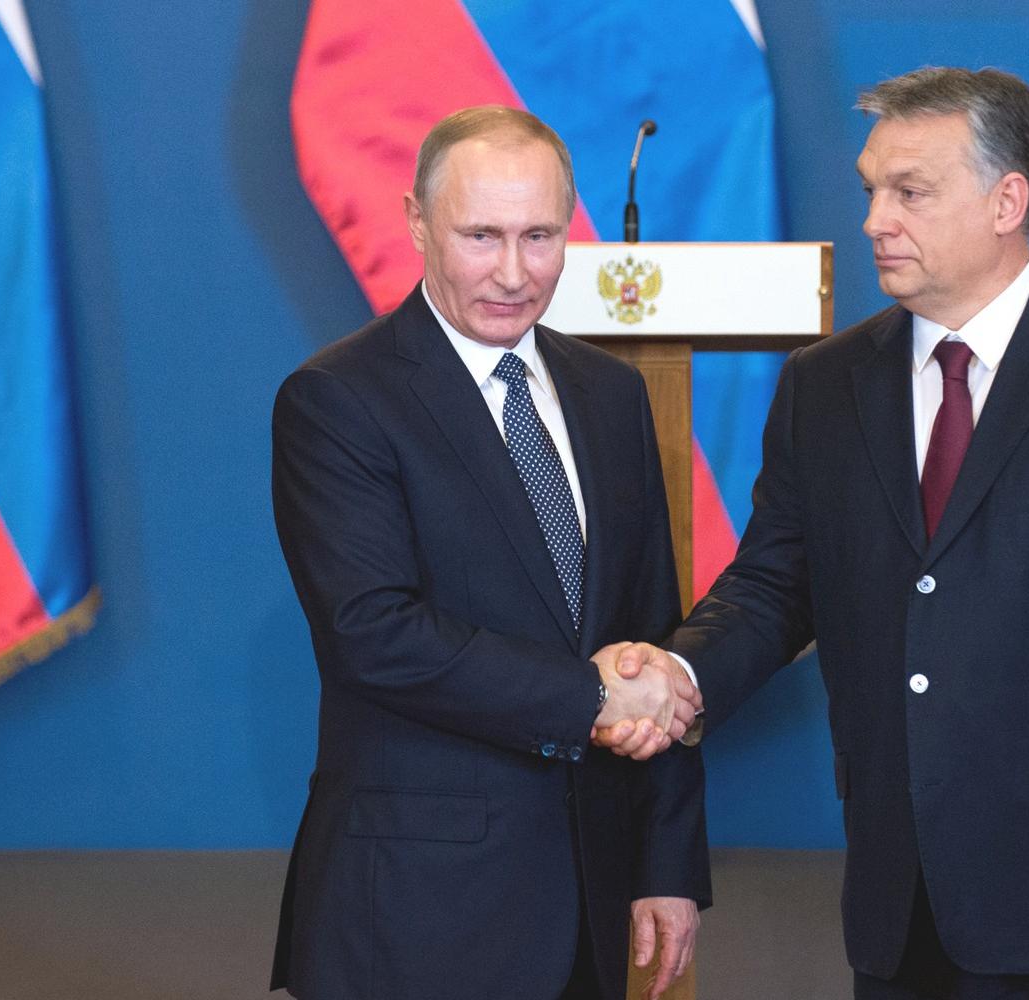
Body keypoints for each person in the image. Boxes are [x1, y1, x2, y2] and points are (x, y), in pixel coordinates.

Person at [600, 67, 1029, 999]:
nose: (875, 219)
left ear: (1008, 202)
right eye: (870, 190)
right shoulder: (823, 385)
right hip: (903, 903)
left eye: (909, 192)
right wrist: (678, 674)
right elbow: (774, 586)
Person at [269, 105, 706, 1000]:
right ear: (417, 223)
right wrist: (591, 696)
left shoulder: (612, 395)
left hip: (590, 908)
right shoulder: (337, 399)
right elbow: (373, 635)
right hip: (416, 915)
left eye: (539, 236)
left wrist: (666, 864)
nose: (513, 272)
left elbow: (651, 633)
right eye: (481, 236)